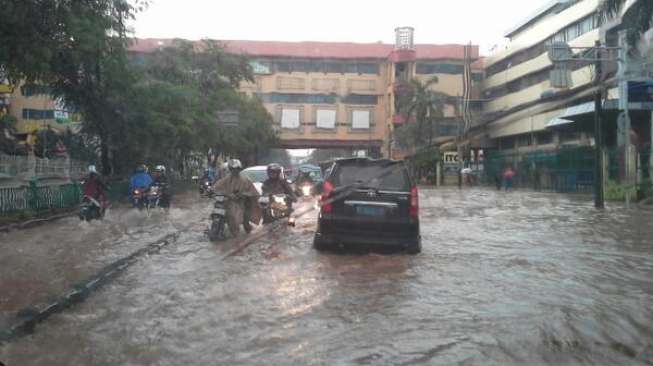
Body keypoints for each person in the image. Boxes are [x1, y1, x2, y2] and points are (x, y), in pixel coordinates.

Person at [213, 159, 261, 235]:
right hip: (228, 203)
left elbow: (253, 192)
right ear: (230, 169)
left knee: (244, 219)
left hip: (241, 203)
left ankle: (245, 229)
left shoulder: (245, 180)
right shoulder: (225, 180)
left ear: (239, 169)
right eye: (233, 169)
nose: (235, 171)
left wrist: (243, 194)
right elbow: (216, 188)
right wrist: (228, 194)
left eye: (237, 169)